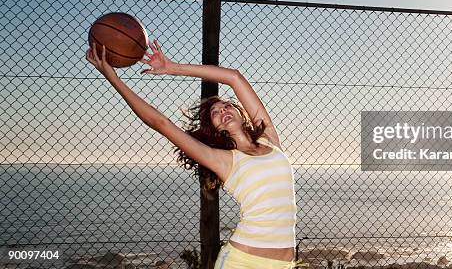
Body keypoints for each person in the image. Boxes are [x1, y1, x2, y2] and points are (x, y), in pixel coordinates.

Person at [86, 40, 308, 269]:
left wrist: (172, 68)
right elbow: (160, 123)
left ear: (241, 113)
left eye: (226, 106)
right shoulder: (224, 160)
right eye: (215, 113)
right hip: (243, 262)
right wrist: (112, 77)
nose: (222, 111)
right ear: (214, 129)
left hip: (285, 265)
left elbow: (235, 78)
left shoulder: (269, 138)